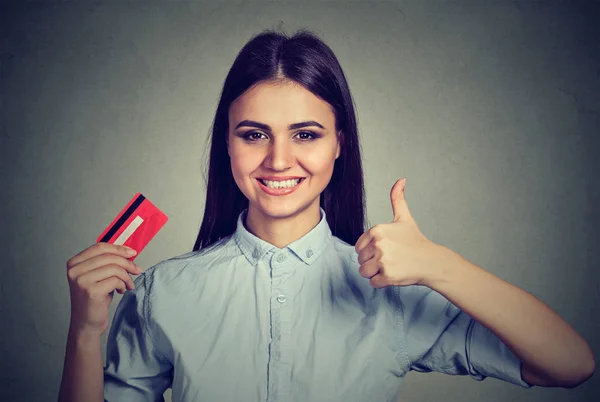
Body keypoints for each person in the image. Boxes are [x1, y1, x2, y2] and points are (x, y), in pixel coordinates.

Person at [58, 29, 595, 402]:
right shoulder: (162, 293)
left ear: (340, 143)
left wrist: (440, 265)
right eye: (253, 134)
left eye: (306, 134)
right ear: (227, 143)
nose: (278, 160)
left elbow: (570, 365)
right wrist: (85, 332)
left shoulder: (391, 296)